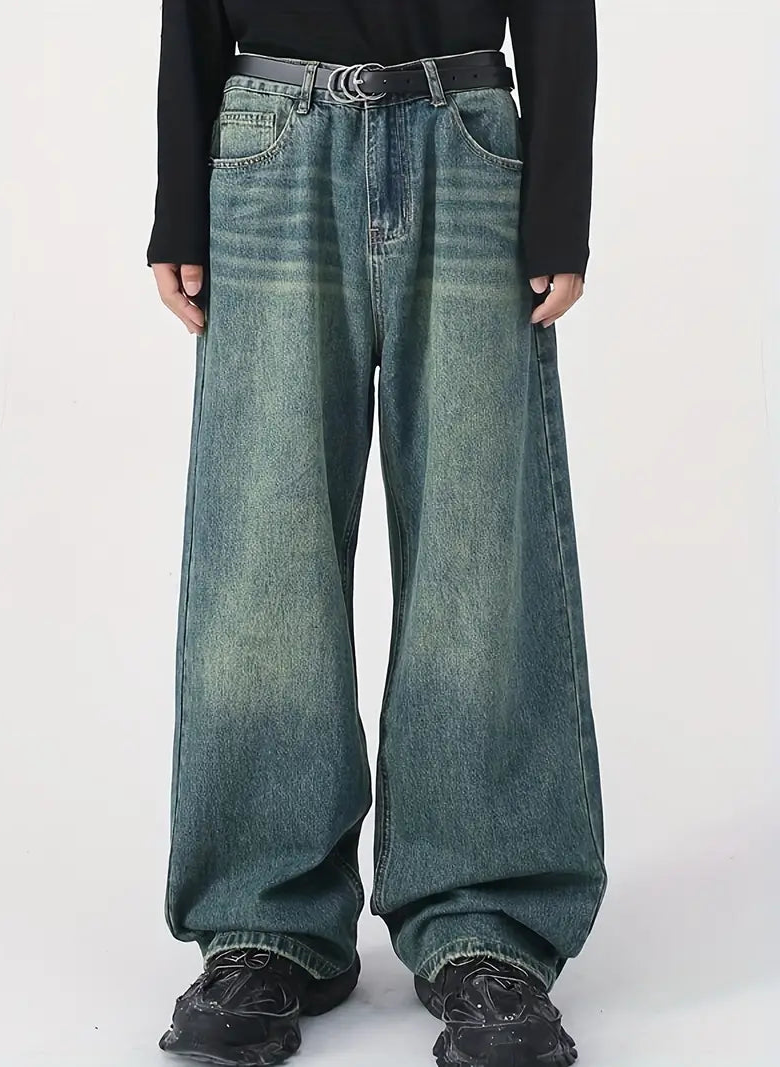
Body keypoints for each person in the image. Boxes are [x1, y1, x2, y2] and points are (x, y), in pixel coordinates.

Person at [146, 2, 606, 1065]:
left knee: (479, 546)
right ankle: (261, 920)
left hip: (467, 133)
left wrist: (558, 202)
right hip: (268, 136)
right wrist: (179, 201)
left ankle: (487, 923)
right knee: (260, 550)